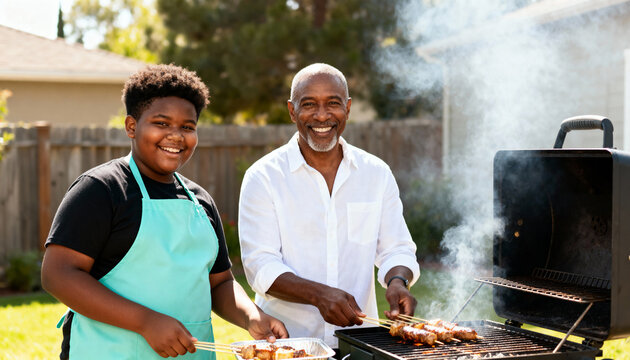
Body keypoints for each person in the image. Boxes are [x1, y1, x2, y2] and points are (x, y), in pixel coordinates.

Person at [41, 64, 288, 360]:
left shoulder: (200, 201)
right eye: (161, 123)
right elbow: (58, 274)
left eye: (187, 127)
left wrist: (251, 316)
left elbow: (219, 282)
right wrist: (145, 322)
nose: (176, 136)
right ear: (132, 126)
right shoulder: (101, 189)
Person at [238, 63, 420, 349]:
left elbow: (395, 248)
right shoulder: (263, 177)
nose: (322, 115)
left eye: (333, 104)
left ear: (347, 108)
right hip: (289, 345)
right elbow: (260, 266)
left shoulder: (376, 173)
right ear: (291, 111)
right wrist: (318, 295)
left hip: (361, 345)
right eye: (309, 104)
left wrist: (398, 281)